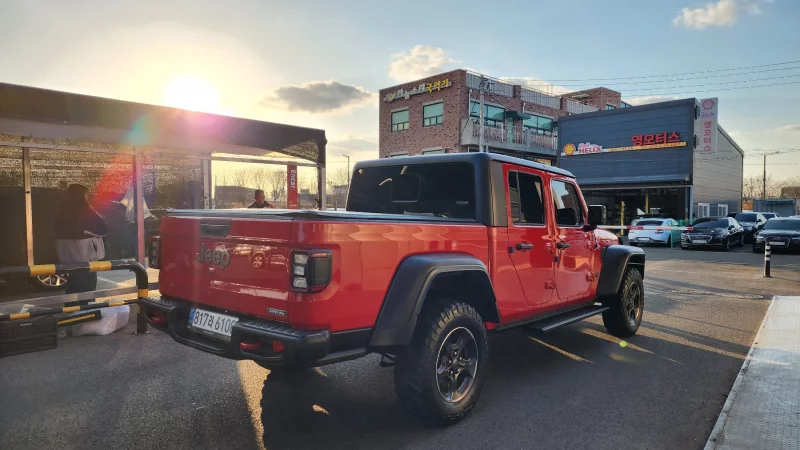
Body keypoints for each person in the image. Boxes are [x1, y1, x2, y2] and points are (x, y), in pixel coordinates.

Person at [55, 184, 108, 294]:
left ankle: (72, 308)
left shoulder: (63, 210)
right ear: (82, 195)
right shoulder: (85, 210)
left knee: (73, 284)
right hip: (85, 255)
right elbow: (103, 228)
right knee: (87, 286)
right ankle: (85, 309)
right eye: (86, 194)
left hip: (67, 254)